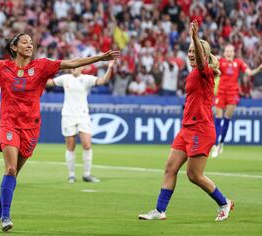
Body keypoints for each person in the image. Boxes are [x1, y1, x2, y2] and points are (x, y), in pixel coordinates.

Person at [0, 32, 120, 232]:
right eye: (25, 42)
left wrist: (100, 58)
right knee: (10, 169)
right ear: (14, 47)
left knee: (13, 174)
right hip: (9, 124)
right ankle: (6, 216)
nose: (30, 45)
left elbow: (72, 62)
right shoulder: (3, 67)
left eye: (31, 42)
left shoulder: (42, 66)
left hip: (31, 126)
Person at [138, 20, 233, 221]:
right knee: (170, 168)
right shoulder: (193, 73)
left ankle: (224, 203)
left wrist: (194, 36)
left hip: (201, 129)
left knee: (194, 175)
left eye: (193, 51)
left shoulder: (204, 71)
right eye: (189, 50)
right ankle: (160, 210)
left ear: (204, 55)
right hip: (187, 128)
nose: (190, 53)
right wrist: (194, 40)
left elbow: (199, 58)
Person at [46, 60, 115, 183]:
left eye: (77, 65)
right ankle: (71, 175)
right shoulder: (65, 78)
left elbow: (103, 80)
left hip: (83, 116)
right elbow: (49, 83)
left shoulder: (87, 79)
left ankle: (87, 174)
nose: (74, 67)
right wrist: (37, 74)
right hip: (68, 116)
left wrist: (109, 68)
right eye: (73, 65)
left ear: (82, 67)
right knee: (70, 146)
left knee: (87, 145)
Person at [211, 45, 262, 158]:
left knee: (227, 118)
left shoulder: (238, 62)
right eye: (227, 51)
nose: (229, 53)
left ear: (234, 53)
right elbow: (212, 67)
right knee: (218, 117)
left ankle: (221, 143)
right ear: (224, 53)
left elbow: (248, 72)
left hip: (232, 94)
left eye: (231, 51)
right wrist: (214, 59)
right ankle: (215, 145)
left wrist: (258, 69)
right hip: (221, 93)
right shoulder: (221, 61)